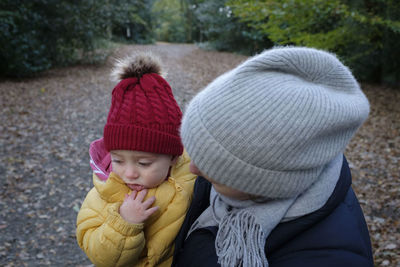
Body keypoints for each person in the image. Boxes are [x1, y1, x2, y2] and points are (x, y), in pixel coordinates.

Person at [172, 47, 374, 267]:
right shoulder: (239, 177)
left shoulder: (327, 257)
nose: (193, 168)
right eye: (197, 150)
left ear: (267, 185)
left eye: (217, 170)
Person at [76, 53, 196, 267]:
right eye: (118, 160)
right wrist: (123, 224)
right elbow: (97, 253)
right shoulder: (105, 193)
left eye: (144, 163)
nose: (129, 173)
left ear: (173, 156)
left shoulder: (193, 173)